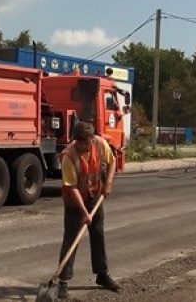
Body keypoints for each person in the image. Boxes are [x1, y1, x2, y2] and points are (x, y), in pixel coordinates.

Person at [55, 121, 120, 298]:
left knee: (98, 234)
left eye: (87, 142)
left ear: (92, 139)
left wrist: (108, 183)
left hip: (95, 196)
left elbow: (112, 162)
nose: (84, 146)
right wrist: (83, 212)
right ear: (75, 140)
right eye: (80, 143)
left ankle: (102, 274)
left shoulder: (100, 144)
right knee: (71, 238)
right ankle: (63, 281)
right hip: (74, 202)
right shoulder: (68, 156)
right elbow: (72, 187)